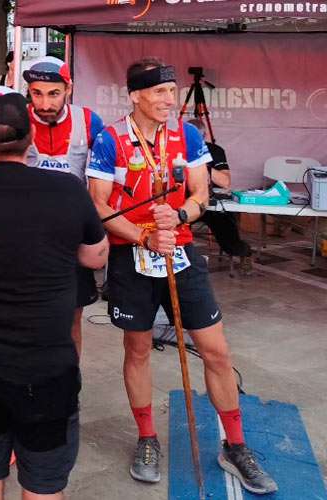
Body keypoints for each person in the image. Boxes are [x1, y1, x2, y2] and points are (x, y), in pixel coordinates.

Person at [86, 57, 278, 494]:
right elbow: (97, 204)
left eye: (171, 91)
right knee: (137, 348)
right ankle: (147, 438)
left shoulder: (187, 135)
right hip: (131, 254)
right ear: (135, 94)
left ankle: (235, 445)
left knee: (215, 349)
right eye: (158, 92)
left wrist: (179, 214)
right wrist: (141, 236)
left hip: (181, 250)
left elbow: (201, 193)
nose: (168, 100)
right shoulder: (110, 139)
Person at [0, 86, 108, 500]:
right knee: (43, 483)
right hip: (46, 368)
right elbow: (95, 257)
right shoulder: (67, 190)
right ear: (30, 139)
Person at [22, 56, 105, 357]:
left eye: (53, 93)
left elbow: (103, 180)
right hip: (28, 236)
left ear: (68, 88)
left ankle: (69, 387)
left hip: (72, 235)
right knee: (28, 318)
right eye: (36, 93)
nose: (44, 103)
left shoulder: (89, 121)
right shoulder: (18, 118)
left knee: (72, 317)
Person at [187, 119, 253, 272]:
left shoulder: (215, 151)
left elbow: (225, 182)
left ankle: (244, 252)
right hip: (187, 202)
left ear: (203, 137)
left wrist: (203, 165)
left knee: (229, 237)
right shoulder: (175, 151)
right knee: (172, 228)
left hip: (212, 204)